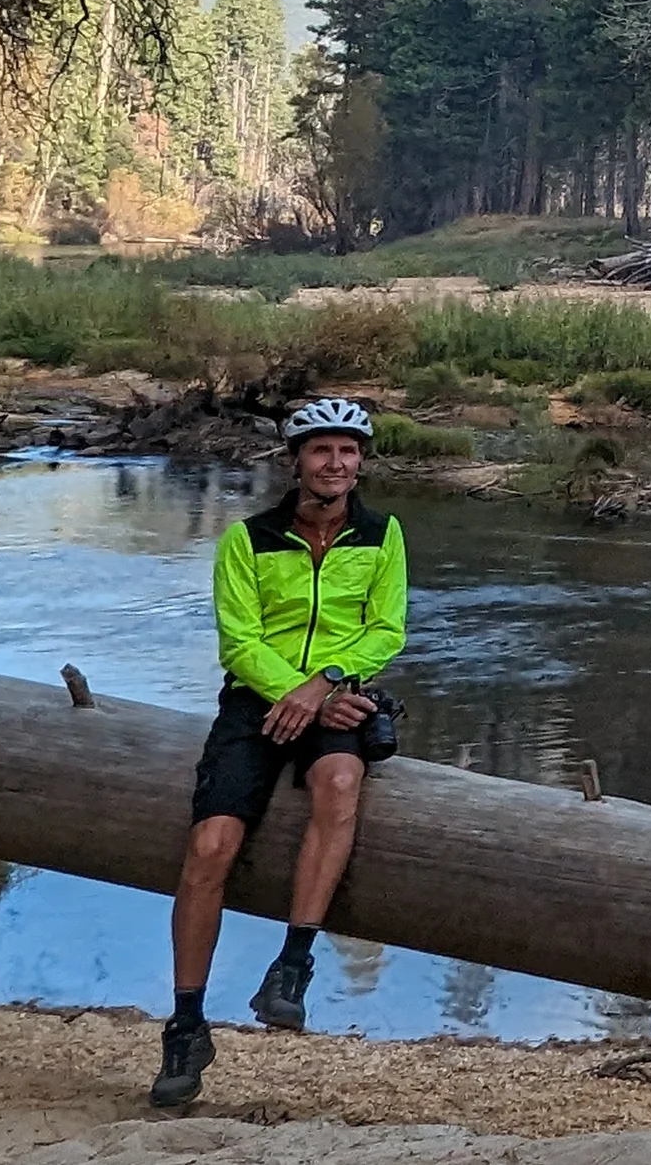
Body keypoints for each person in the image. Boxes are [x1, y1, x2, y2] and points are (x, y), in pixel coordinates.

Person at [152, 398, 408, 1108]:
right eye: (322, 451)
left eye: (348, 452)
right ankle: (186, 1023)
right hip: (253, 700)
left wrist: (324, 687)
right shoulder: (249, 538)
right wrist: (290, 693)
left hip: (338, 694)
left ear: (361, 462)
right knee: (210, 847)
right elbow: (238, 640)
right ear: (296, 461)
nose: (336, 464)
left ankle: (291, 967)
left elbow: (387, 630)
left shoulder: (382, 535)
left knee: (339, 780)